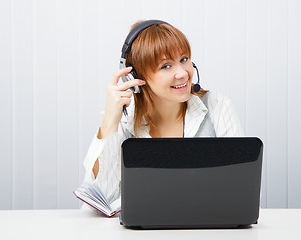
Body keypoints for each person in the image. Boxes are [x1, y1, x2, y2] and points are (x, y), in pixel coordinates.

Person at [82, 20, 244, 207]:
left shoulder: (218, 106)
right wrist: (110, 120)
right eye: (166, 66)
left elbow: (242, 189)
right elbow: (101, 198)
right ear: (136, 77)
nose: (182, 73)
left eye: (184, 59)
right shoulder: (123, 116)